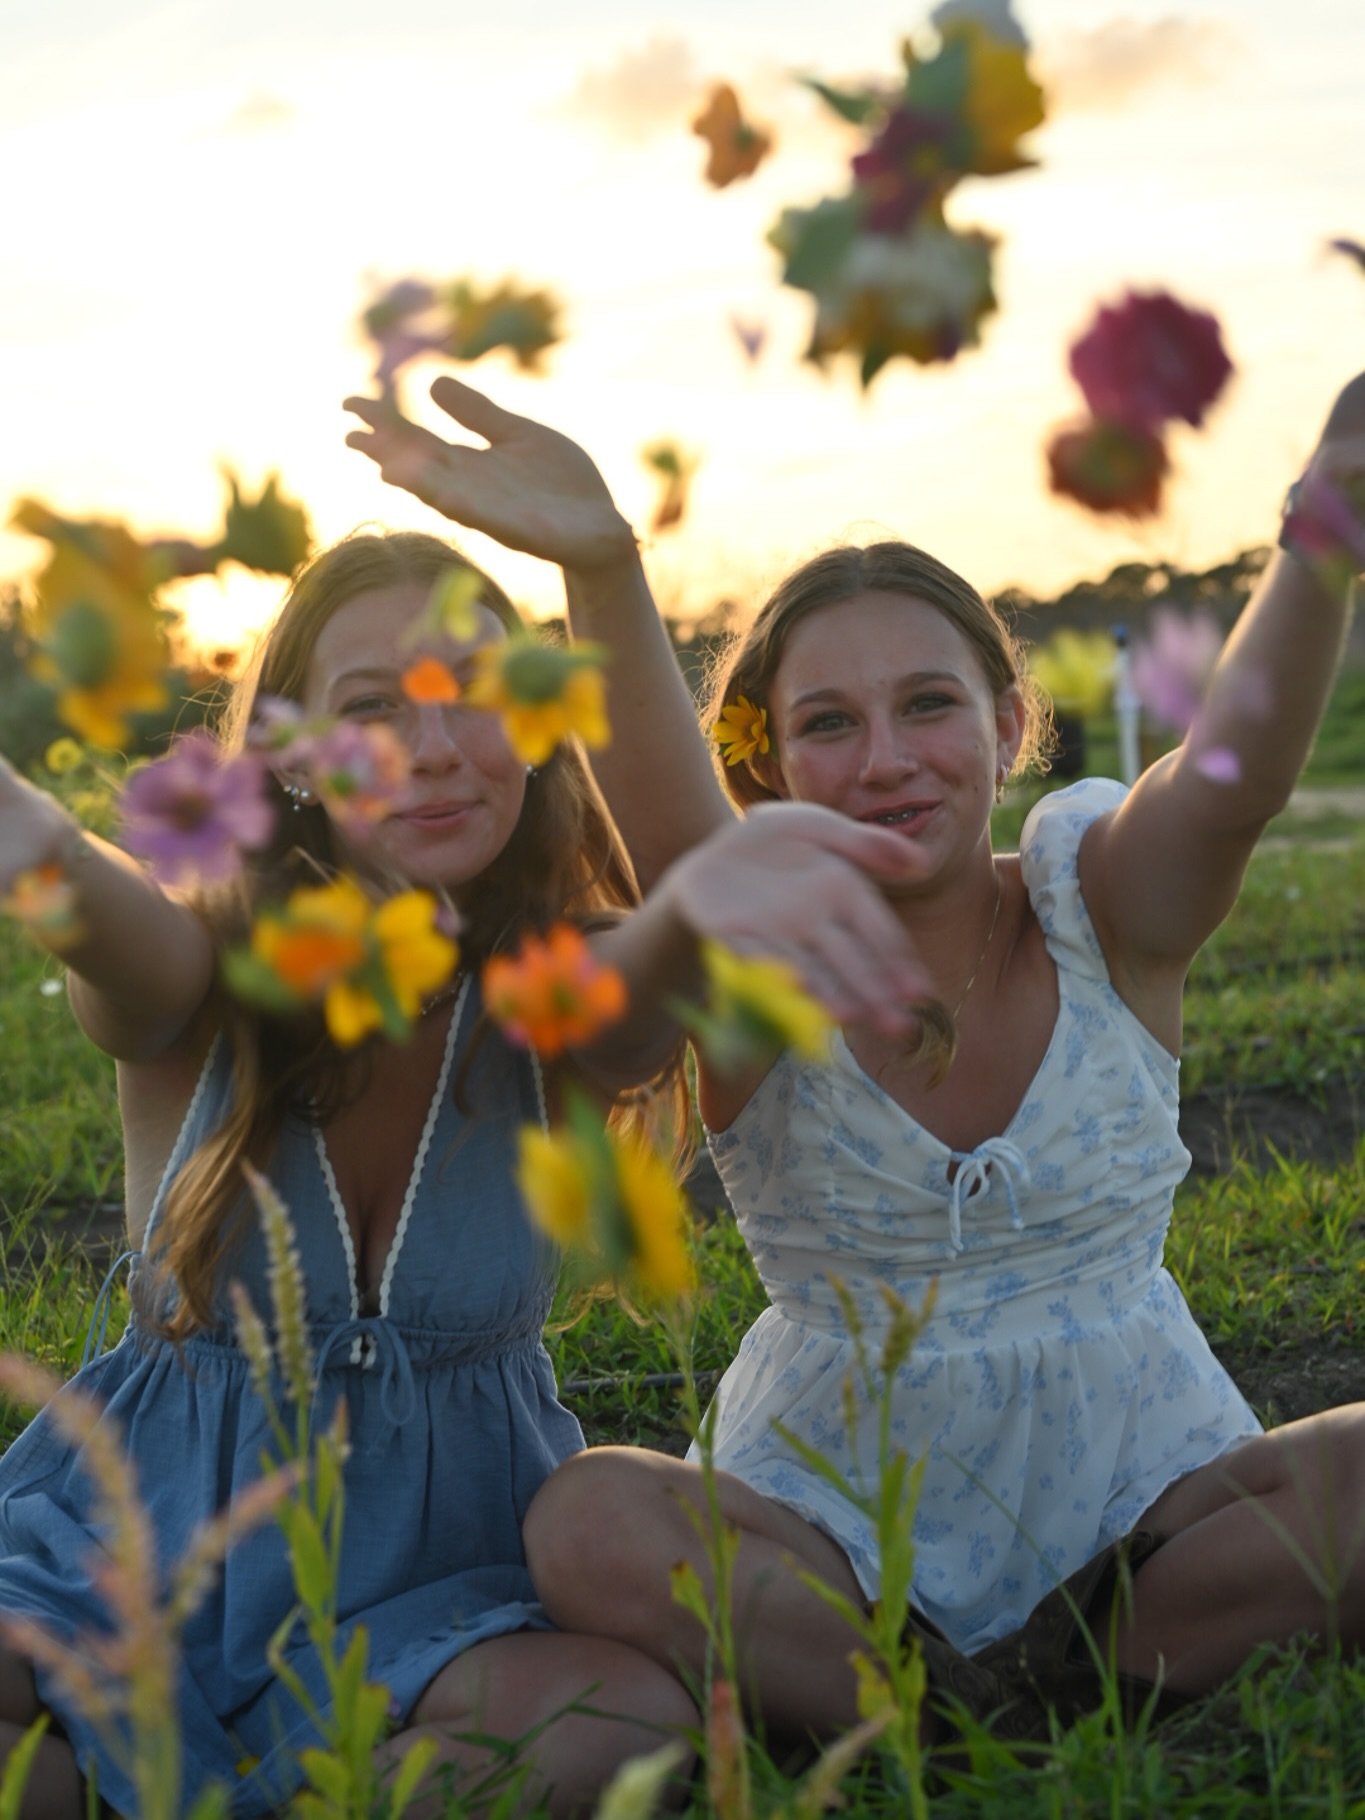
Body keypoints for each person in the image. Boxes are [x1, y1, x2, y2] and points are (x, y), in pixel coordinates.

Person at [348, 373, 1365, 1742]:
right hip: (834, 1531)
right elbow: (668, 824)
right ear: (770, 768)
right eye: (827, 722)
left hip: (1141, 1502)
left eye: (928, 705)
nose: (885, 759)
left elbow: (1230, 778)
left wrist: (1319, 541)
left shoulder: (1107, 906)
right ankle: (940, 1716)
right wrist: (600, 561)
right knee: (588, 1520)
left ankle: (1082, 1674)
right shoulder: (754, 958)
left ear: (1008, 724)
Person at [0, 495, 937, 1815]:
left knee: (621, 1721)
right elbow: (105, 918)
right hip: (138, 1548)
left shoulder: (562, 978)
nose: (439, 749)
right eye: (377, 707)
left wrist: (695, 911)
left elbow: (631, 993)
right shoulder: (201, 965)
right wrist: (33, 840)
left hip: (430, 1584)